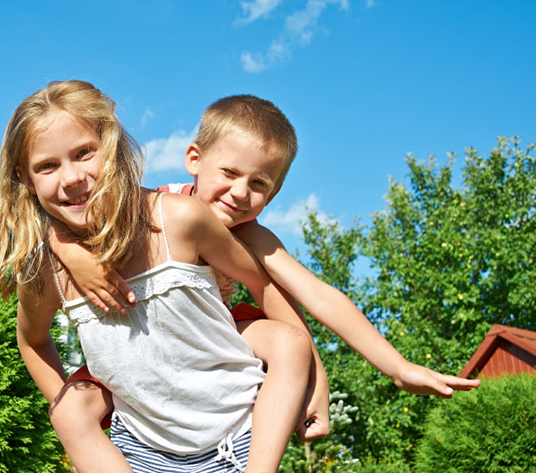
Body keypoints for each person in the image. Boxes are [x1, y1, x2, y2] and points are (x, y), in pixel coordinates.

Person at [45, 92, 482, 470]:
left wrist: (392, 368)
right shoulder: (162, 208)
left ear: (272, 196)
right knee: (72, 407)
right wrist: (66, 250)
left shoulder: (252, 236)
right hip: (144, 342)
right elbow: (78, 210)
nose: (240, 193)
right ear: (194, 159)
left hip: (217, 336)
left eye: (259, 184)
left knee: (285, 340)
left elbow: (316, 297)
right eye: (230, 174)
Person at [0, 80, 316, 473]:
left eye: (84, 153)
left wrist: (314, 377)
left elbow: (264, 282)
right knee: (68, 410)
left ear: (112, 146)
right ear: (25, 179)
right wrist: (73, 409)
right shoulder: (45, 273)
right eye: (47, 166)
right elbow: (32, 340)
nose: (70, 178)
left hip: (236, 439)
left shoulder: (178, 219)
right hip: (138, 453)